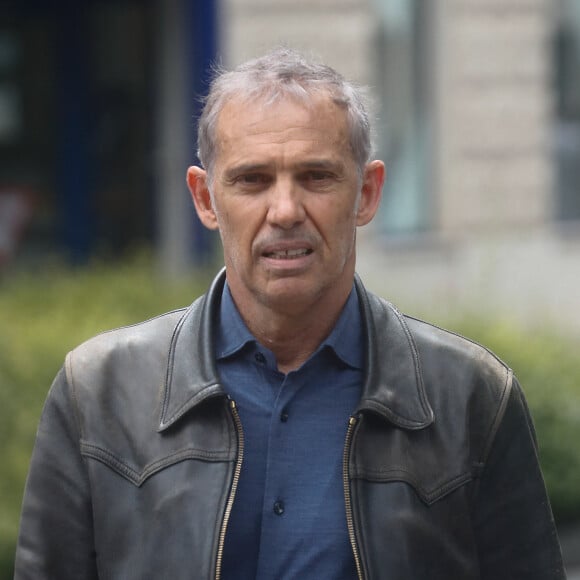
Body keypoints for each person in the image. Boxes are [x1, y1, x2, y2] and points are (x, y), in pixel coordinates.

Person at [15, 48, 565, 580]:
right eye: (252, 180)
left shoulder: (471, 398)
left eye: (316, 177)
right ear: (205, 198)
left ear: (367, 193)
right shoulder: (97, 394)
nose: (284, 211)